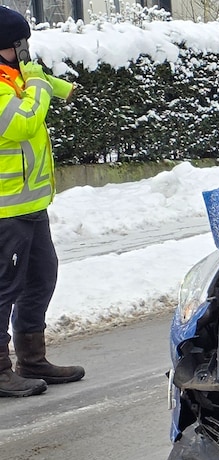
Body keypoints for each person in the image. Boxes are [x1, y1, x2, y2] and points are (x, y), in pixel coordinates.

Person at [0, 6, 82, 397]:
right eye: (19, 45)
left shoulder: (12, 76)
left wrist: (59, 87)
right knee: (4, 289)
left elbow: (37, 84)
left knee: (41, 279)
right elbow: (23, 122)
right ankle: (0, 370)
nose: (25, 51)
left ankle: (32, 358)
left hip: (30, 205)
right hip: (4, 210)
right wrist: (38, 85)